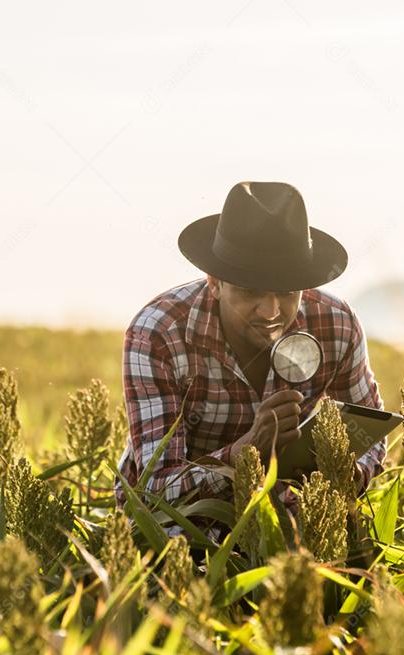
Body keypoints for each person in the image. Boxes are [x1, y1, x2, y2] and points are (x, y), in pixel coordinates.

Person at [115, 181, 388, 509]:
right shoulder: (160, 334)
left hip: (284, 512)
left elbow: (370, 431)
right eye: (250, 291)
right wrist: (247, 453)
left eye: (287, 292)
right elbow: (155, 488)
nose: (272, 312)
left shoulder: (337, 323)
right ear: (214, 283)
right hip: (178, 521)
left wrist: (346, 475)